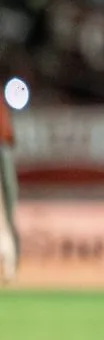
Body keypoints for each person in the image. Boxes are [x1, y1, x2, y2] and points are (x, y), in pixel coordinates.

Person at [0, 101, 18, 284]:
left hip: (3, 146)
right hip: (3, 146)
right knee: (4, 217)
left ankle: (9, 267)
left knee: (5, 216)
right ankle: (9, 267)